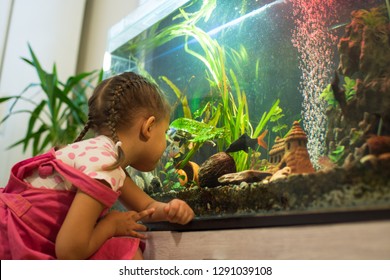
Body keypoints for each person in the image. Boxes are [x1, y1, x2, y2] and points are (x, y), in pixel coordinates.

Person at [0, 71, 195, 260]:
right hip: (8, 244)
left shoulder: (103, 159)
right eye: (165, 132)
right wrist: (110, 225)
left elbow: (147, 206)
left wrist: (170, 210)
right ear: (149, 127)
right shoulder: (104, 167)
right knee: (123, 251)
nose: (166, 143)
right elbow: (69, 251)